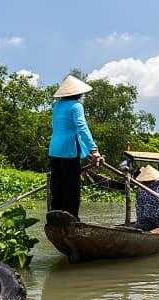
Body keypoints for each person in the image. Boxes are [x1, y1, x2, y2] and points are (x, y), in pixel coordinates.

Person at [48, 75, 103, 218]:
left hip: (54, 150)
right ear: (78, 93)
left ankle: (55, 216)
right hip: (68, 152)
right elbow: (81, 128)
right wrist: (94, 150)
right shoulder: (76, 106)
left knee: (57, 186)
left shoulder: (57, 106)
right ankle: (71, 219)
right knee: (71, 187)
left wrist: (87, 151)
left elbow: (64, 128)